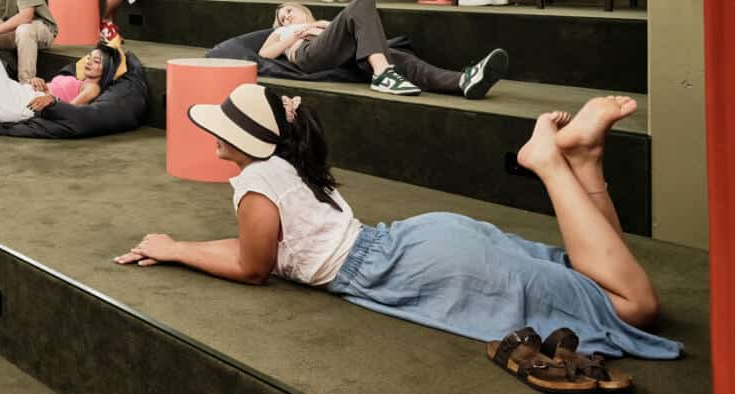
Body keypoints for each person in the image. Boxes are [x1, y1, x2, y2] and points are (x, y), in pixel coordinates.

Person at [114, 84, 681, 361]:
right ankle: (584, 161)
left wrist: (177, 250)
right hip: (419, 242)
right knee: (591, 277)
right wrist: (180, 243)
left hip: (424, 265)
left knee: (632, 308)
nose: (211, 133)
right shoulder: (284, 167)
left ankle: (550, 163)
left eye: (219, 127)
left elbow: (253, 266)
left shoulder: (254, 184)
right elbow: (257, 248)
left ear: (238, 142)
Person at [209, 0, 507, 98]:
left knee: (402, 59)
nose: (285, 15)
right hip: (308, 56)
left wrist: (322, 27)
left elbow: (352, 35)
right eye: (281, 15)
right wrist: (294, 32)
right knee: (361, 4)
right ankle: (383, 74)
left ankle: (464, 81)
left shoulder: (326, 24)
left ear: (304, 10)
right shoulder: (285, 32)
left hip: (343, 55)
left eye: (289, 10)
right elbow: (265, 56)